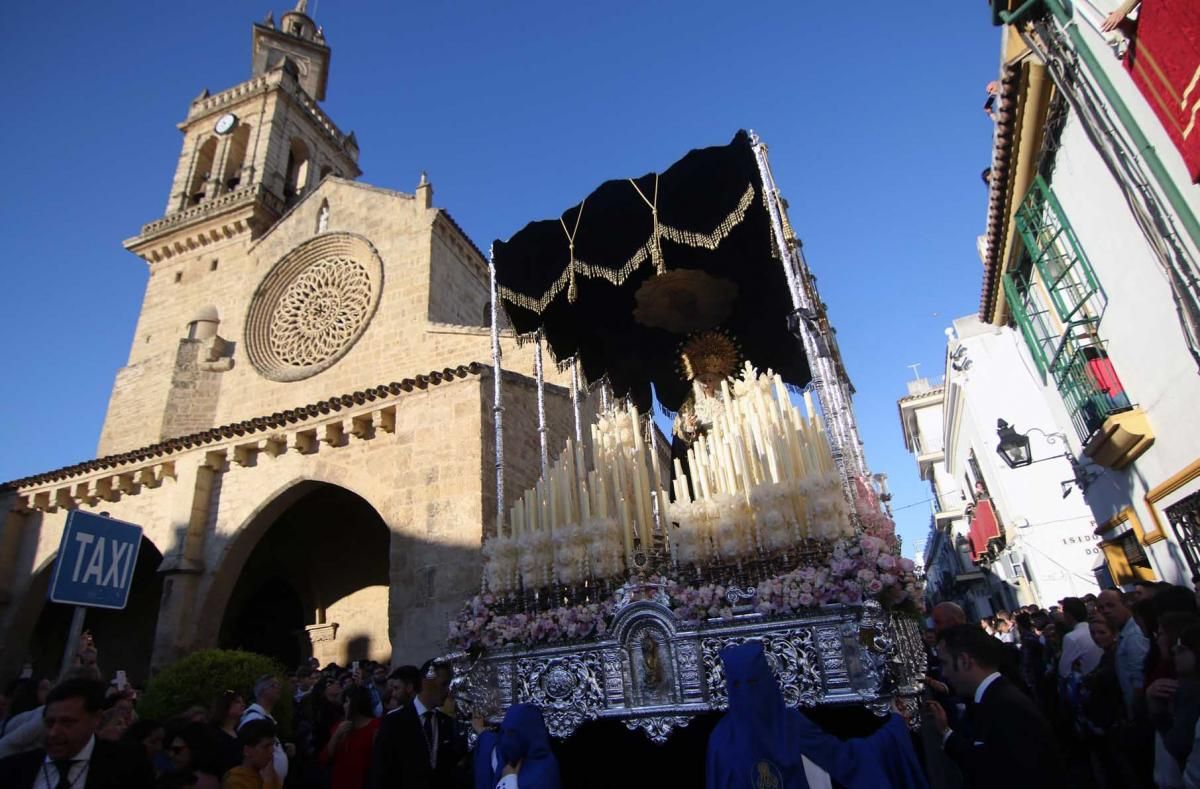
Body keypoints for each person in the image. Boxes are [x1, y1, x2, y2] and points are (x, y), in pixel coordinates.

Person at [706, 640, 927, 788]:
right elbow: (851, 760)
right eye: (737, 685)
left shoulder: (721, 737)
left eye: (753, 683)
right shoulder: (788, 724)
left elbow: (844, 760)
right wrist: (895, 728)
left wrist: (894, 726)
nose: (746, 693)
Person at [926, 624, 1066, 789]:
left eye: (946, 663)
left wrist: (946, 733)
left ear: (964, 661)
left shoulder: (1006, 706)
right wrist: (946, 731)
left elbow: (998, 772)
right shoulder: (994, 697)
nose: (944, 673)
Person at [0, 677, 154, 789]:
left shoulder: (128, 766)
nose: (54, 732)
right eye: (50, 723)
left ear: (96, 719)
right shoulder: (13, 770)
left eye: (68, 722)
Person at [370, 659, 466, 788]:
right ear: (426, 682)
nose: (448, 691)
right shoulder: (394, 722)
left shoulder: (447, 723)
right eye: (444, 684)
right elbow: (380, 772)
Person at [473, 704, 560, 789]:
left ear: (529, 734)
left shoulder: (544, 773)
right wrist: (482, 732)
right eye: (503, 731)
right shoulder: (506, 756)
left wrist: (508, 781)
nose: (506, 739)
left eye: (511, 733)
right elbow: (492, 748)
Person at [1097, 588, 1151, 715]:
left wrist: (1137, 712)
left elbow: (1139, 680)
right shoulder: (1123, 633)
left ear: (1125, 604)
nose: (1106, 611)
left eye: (1110, 605)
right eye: (1101, 608)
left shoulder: (1134, 636)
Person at [321, 686, 380, 789]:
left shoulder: (376, 727)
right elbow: (325, 758)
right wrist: (336, 735)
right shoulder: (339, 727)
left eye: (347, 701)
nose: (344, 706)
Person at [238, 676, 289, 784]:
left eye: (279, 685)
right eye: (273, 685)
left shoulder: (266, 717)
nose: (278, 688)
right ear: (262, 691)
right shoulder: (253, 719)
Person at [222, 719, 280, 789]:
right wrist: (268, 782)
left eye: (273, 744)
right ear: (247, 751)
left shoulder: (268, 772)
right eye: (266, 746)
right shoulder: (235, 781)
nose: (272, 750)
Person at [165, 722, 222, 789]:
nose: (171, 755)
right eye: (170, 749)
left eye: (177, 750)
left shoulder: (201, 782)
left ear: (194, 748)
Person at [1058, 597, 1103, 679]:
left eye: (1063, 613)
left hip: (1091, 683)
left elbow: (1064, 671)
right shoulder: (1099, 629)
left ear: (1068, 615)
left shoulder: (1071, 637)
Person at [207, 690, 245, 777]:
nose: (243, 705)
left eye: (243, 702)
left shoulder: (240, 734)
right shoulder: (213, 733)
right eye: (237, 702)